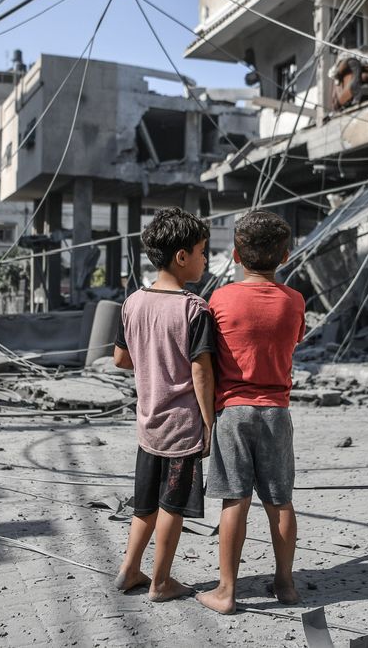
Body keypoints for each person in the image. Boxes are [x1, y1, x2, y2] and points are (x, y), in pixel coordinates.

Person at [197, 210, 306, 615]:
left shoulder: (220, 298)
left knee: (234, 502)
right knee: (281, 501)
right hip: (276, 410)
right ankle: (286, 584)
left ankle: (226, 591)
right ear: (286, 255)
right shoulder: (294, 301)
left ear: (237, 256)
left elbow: (207, 357)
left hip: (233, 411)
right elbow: (295, 340)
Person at [112, 207, 215, 602]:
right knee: (173, 505)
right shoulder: (195, 309)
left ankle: (129, 568)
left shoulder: (133, 302)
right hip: (182, 426)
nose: (205, 260)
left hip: (148, 424)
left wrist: (152, 356)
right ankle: (160, 581)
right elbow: (201, 373)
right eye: (202, 252)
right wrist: (209, 424)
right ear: (182, 256)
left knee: (145, 504)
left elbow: (120, 359)